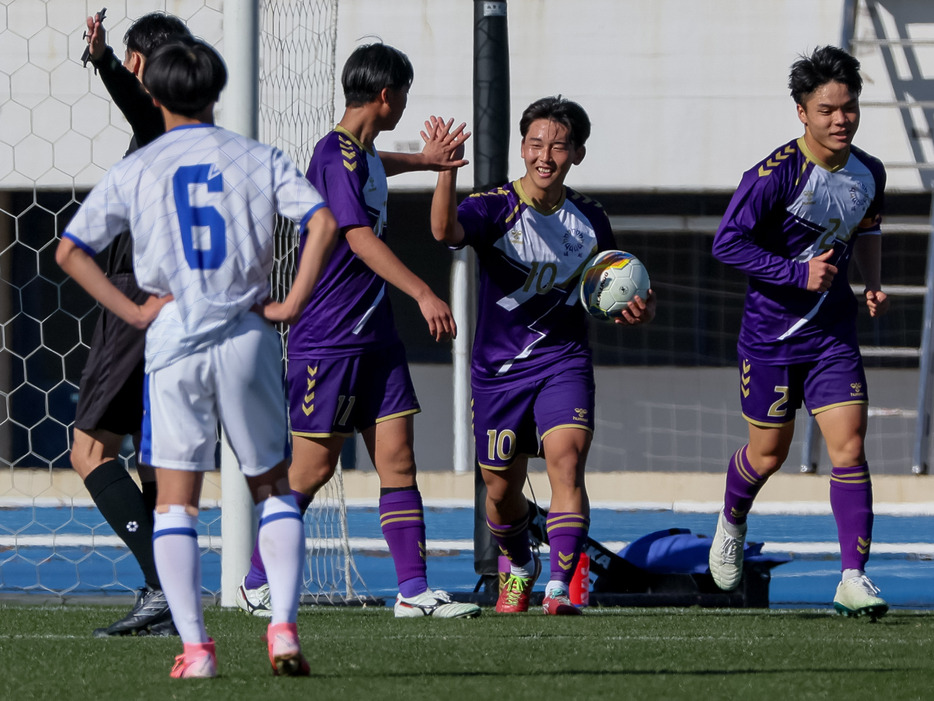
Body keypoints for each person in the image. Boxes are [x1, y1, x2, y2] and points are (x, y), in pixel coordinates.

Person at [57, 37, 339, 678]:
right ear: (218, 91)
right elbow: (320, 221)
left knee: (175, 502)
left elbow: (70, 252)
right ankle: (285, 629)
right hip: (246, 331)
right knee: (272, 488)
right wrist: (293, 300)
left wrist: (132, 311)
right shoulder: (257, 156)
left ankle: (197, 650)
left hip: (175, 335)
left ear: (152, 95)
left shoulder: (140, 166)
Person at [235, 42, 480, 620]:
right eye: (405, 96)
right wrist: (422, 290)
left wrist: (429, 162)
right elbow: (356, 236)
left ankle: (413, 592)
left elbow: (377, 165)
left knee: (398, 460)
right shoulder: (334, 152)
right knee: (313, 469)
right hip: (330, 337)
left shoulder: (361, 153)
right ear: (387, 96)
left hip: (376, 338)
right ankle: (254, 579)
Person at [430, 96, 656, 615]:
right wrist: (444, 173)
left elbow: (616, 282)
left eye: (558, 145)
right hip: (498, 372)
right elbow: (444, 233)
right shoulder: (493, 207)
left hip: (563, 361)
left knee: (566, 463)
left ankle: (558, 587)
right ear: (523, 148)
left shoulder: (592, 219)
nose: (545, 155)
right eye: (536, 144)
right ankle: (520, 564)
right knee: (499, 489)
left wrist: (639, 308)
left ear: (577, 152)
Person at [707, 45, 890, 620]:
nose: (842, 119)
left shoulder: (870, 171)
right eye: (828, 109)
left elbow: (869, 227)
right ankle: (732, 519)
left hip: (832, 333)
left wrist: (872, 282)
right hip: (770, 339)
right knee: (767, 456)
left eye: (850, 108)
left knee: (851, 446)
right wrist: (795, 272)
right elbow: (725, 243)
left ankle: (853, 578)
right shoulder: (772, 176)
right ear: (802, 112)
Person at [75, 10, 191, 638]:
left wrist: (104, 62)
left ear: (143, 61)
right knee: (152, 458)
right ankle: (159, 593)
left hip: (135, 297)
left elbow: (137, 105)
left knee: (89, 450)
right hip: (169, 298)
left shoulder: (160, 119)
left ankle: (167, 589)